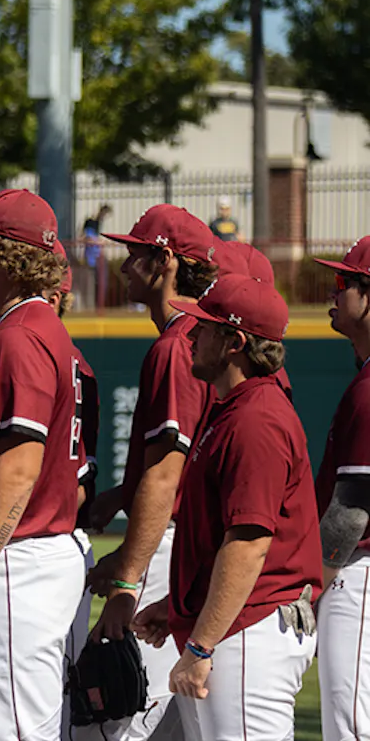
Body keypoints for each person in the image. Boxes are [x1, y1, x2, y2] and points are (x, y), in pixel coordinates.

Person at [133, 275, 320, 741]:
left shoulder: (256, 419)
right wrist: (175, 605)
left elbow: (249, 544)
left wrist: (200, 644)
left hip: (248, 631)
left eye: (206, 327)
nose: (192, 335)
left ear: (235, 342)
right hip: (233, 627)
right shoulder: (234, 408)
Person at [0, 189, 86, 741]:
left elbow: (18, 470)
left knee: (15, 731)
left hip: (17, 560)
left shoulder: (20, 337)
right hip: (37, 553)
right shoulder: (39, 328)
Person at [81, 205, 221, 740]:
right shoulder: (198, 338)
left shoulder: (175, 346)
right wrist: (120, 493)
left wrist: (124, 578)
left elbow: (167, 476)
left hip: (166, 543)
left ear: (164, 260)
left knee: (119, 716)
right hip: (179, 540)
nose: (123, 264)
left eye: (135, 253)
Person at [313, 237, 370, 741]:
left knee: (349, 726)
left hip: (360, 575)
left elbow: (354, 508)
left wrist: (309, 585)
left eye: (344, 284)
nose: (334, 294)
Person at [81, 204, 112, 310]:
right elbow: (85, 237)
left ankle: (98, 305)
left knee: (101, 282)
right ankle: (90, 306)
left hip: (98, 257)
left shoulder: (99, 224)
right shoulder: (90, 223)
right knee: (90, 283)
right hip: (90, 258)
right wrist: (98, 242)